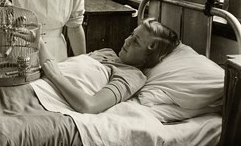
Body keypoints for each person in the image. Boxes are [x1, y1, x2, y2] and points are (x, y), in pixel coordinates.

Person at [39, 18, 180, 114]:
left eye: (136, 42)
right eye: (131, 35)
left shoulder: (132, 75)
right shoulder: (107, 53)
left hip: (43, 99)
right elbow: (55, 67)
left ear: (149, 57)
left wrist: (54, 75)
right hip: (38, 84)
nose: (127, 41)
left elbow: (90, 106)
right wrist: (37, 43)